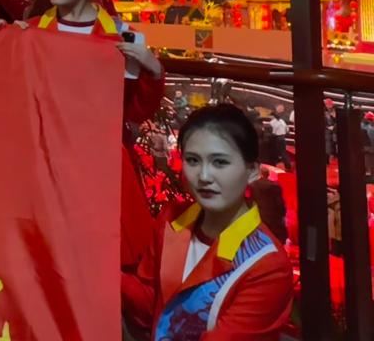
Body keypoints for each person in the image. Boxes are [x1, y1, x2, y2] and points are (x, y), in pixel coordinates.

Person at [30, 0, 164, 276]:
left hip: (101, 171)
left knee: (101, 267)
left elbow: (135, 111)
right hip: (45, 170)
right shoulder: (29, 34)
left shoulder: (119, 37)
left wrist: (152, 69)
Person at [122, 104, 293, 339]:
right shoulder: (173, 219)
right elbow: (151, 306)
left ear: (252, 171)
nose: (204, 176)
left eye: (219, 162)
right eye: (193, 160)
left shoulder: (266, 264)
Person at [250, 167, 288, 245]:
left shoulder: (252, 186)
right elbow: (280, 205)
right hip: (274, 220)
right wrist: (282, 215)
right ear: (268, 174)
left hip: (260, 220)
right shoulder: (275, 186)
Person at [269, 105, 291, 170]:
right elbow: (287, 129)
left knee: (279, 153)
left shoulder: (272, 122)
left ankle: (281, 165)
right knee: (283, 152)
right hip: (283, 138)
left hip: (277, 139)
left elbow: (273, 132)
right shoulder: (282, 121)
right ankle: (288, 166)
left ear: (273, 116)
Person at [362, 112, 374, 179]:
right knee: (368, 163)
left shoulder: (365, 127)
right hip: (368, 149)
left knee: (369, 163)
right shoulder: (367, 127)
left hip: (368, 149)